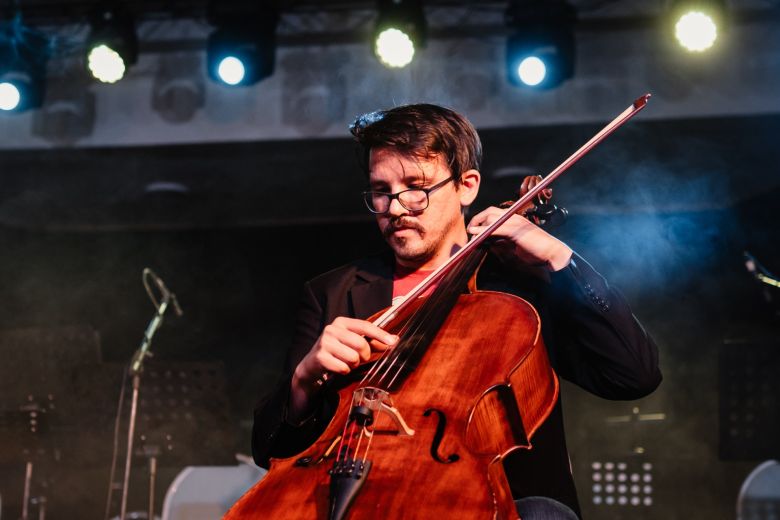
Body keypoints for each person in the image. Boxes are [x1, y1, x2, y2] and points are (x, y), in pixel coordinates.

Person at [250, 104, 661, 519]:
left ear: (466, 185)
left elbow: (632, 375)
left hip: (499, 503)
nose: (395, 208)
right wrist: (303, 382)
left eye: (416, 186)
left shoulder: (522, 287)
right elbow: (271, 450)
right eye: (381, 191)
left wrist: (558, 257)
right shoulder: (332, 293)